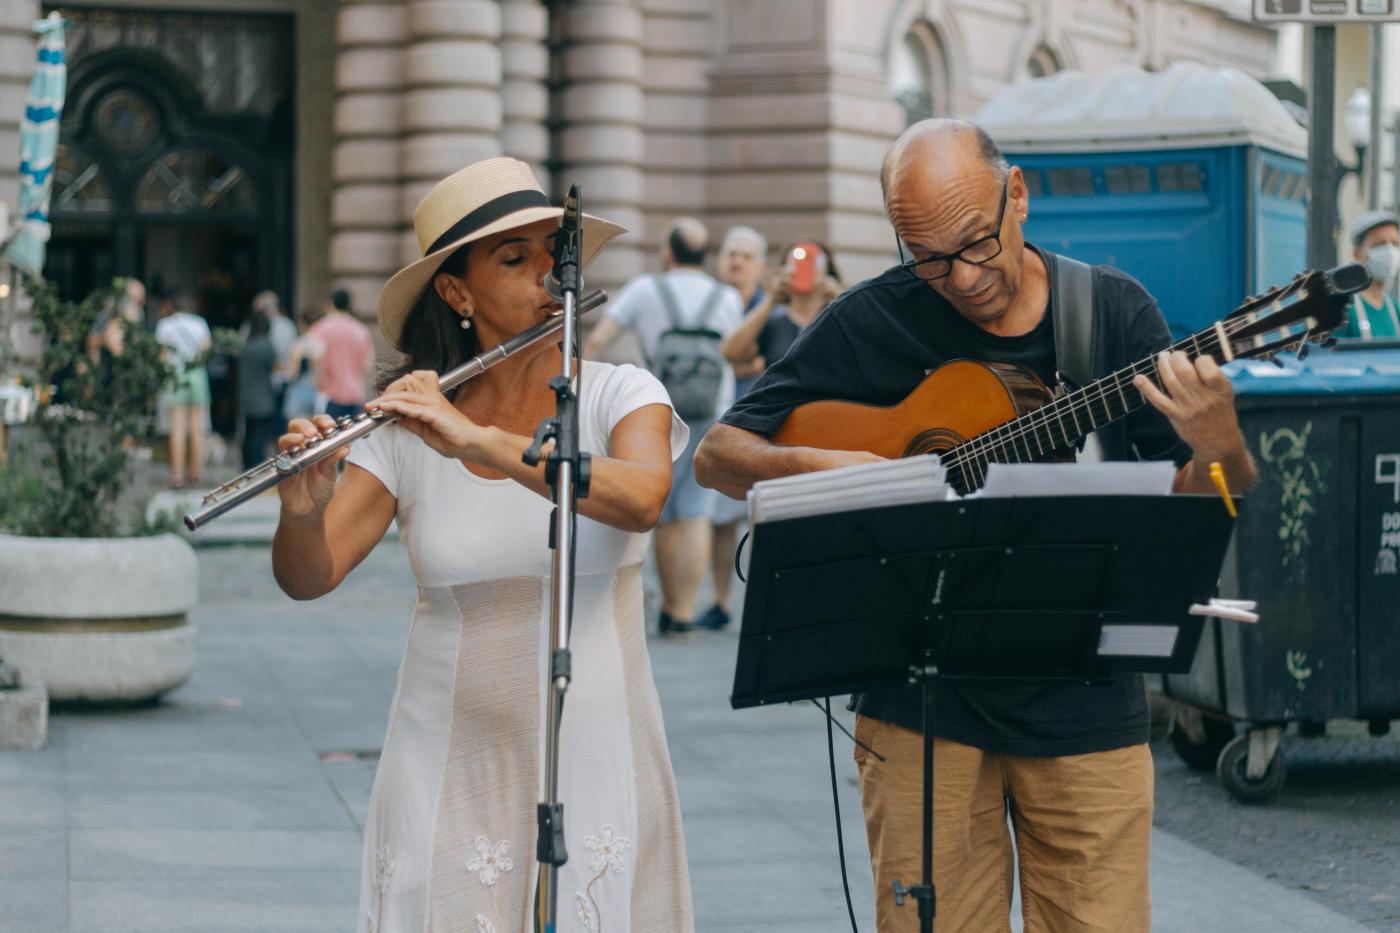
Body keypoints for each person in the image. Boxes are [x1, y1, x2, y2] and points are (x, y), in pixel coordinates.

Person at [694, 119, 1257, 933]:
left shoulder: (1112, 314)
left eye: (974, 243)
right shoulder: (872, 319)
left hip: (1085, 700)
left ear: (1017, 195)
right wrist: (836, 469)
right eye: (926, 257)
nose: (958, 278)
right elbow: (719, 452)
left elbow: (1199, 508)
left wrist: (1221, 446)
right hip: (920, 701)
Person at [271, 157, 694, 933]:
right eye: (515, 257)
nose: (548, 276)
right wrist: (301, 509)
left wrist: (480, 440)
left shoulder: (620, 393)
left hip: (597, 744)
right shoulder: (408, 428)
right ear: (456, 292)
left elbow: (642, 497)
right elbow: (310, 575)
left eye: (552, 252)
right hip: (445, 758)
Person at [583, 217, 743, 635]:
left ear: (668, 253)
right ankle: (687, 609)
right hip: (713, 408)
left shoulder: (645, 289)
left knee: (665, 511)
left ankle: (672, 607)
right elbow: (739, 353)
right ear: (704, 256)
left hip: (658, 409)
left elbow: (599, 340)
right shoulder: (725, 296)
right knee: (696, 511)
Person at [699, 226, 771, 630]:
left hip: (765, 428)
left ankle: (759, 605)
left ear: (760, 265)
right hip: (722, 419)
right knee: (721, 520)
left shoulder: (770, 308)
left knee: (760, 518)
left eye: (745, 255)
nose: (736, 262)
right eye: (730, 253)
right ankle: (721, 601)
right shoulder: (710, 303)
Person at [154, 292, 212, 489]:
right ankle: (196, 472)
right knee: (197, 427)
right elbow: (206, 350)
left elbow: (162, 355)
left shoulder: (165, 325)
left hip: (175, 375)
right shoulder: (200, 323)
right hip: (197, 375)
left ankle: (177, 475)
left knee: (177, 427)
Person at [309, 287, 375, 420]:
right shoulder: (361, 330)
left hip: (331, 397)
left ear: (331, 303)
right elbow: (368, 366)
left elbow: (316, 359)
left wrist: (318, 383)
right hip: (356, 397)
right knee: (355, 440)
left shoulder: (321, 328)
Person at [1340, 209, 1400, 339]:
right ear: (1358, 254)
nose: (1390, 252)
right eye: (1380, 244)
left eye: (1395, 244)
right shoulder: (1343, 310)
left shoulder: (1395, 309)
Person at [237, 310, 281, 468]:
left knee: (248, 434)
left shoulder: (246, 345)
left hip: (246, 396)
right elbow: (278, 368)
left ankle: (246, 465)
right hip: (263, 396)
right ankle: (257, 466)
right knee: (260, 435)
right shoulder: (266, 346)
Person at [282, 304, 325, 421]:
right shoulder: (323, 343)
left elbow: (293, 373)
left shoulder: (300, 344)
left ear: (303, 323)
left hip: (301, 390)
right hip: (320, 392)